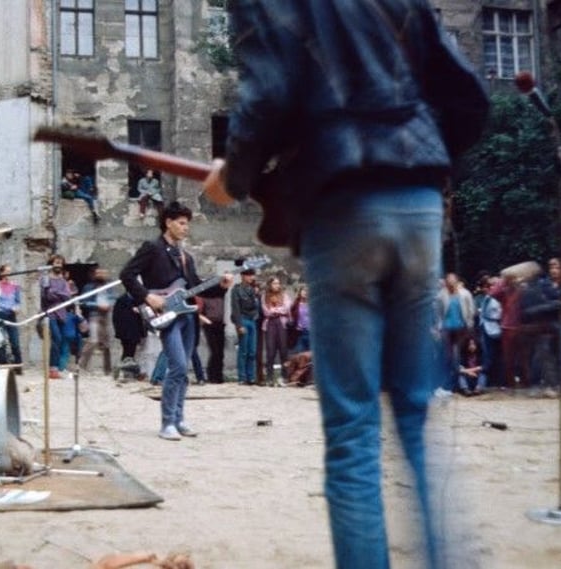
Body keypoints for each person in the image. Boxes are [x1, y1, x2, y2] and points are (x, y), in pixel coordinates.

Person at [202, 2, 489, 566]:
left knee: (353, 429)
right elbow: (467, 97)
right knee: (414, 414)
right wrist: (422, 161)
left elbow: (268, 95)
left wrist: (233, 177)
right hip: (419, 200)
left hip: (344, 203)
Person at [119, 201, 223, 440]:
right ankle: (167, 423)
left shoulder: (186, 257)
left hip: (188, 316)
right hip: (166, 316)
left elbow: (196, 287)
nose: (186, 228)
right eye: (182, 223)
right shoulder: (152, 248)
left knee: (183, 370)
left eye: (188, 224)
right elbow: (127, 274)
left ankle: (179, 418)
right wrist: (147, 296)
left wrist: (222, 286)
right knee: (177, 366)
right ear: (168, 222)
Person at [40, 254, 73, 379]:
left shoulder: (63, 281)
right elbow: (47, 296)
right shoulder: (45, 279)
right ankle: (52, 368)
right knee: (56, 338)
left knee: (61, 340)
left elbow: (67, 296)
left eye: (60, 263)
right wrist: (60, 294)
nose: (58, 265)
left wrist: (56, 292)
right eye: (56, 262)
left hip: (61, 314)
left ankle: (56, 368)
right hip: (50, 313)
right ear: (51, 264)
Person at [79, 267, 117, 374]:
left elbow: (114, 298)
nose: (101, 275)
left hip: (107, 316)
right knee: (93, 340)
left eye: (103, 273)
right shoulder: (89, 287)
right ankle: (81, 366)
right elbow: (84, 302)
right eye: (98, 273)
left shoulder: (109, 286)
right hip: (94, 315)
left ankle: (107, 370)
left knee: (106, 343)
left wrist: (110, 304)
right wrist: (98, 305)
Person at [199, 274, 234, 383]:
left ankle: (219, 376)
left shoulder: (220, 294)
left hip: (220, 323)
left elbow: (225, 286)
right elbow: (201, 311)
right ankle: (212, 376)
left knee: (220, 352)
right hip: (209, 324)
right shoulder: (204, 296)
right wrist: (205, 321)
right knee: (214, 351)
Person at [230, 268, 260, 385]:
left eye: (252, 275)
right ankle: (242, 377)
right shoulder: (236, 290)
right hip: (243, 319)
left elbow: (256, 307)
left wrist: (256, 295)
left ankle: (251, 377)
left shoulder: (253, 290)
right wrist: (239, 325)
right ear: (242, 276)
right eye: (249, 275)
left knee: (252, 351)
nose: (252, 277)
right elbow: (235, 308)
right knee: (243, 351)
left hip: (252, 320)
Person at [261, 276, 292, 386]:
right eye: (274, 283)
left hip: (281, 323)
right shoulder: (265, 296)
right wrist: (274, 311)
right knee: (270, 351)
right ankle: (269, 377)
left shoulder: (284, 295)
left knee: (283, 351)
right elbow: (265, 310)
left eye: (278, 283)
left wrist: (275, 310)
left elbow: (287, 307)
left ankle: (284, 377)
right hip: (270, 323)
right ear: (270, 285)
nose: (277, 285)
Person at [0, 263, 23, 369]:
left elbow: (17, 301)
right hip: (0, 314)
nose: (8, 274)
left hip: (11, 315)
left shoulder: (15, 286)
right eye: (6, 272)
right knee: (1, 341)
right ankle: (3, 366)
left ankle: (18, 366)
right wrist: (9, 307)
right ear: (1, 273)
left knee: (15, 341)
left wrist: (17, 307)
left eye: (10, 272)